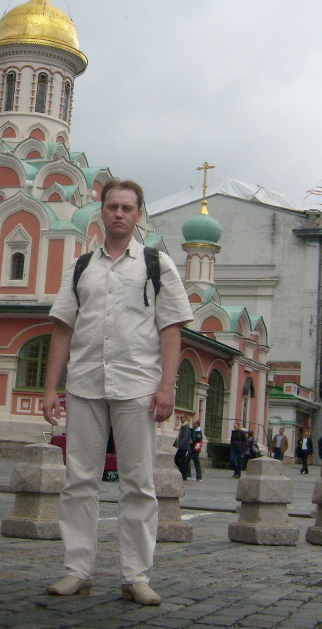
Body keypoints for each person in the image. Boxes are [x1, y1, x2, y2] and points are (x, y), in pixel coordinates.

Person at [41, 178, 193, 606]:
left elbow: (172, 328)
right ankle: (77, 570)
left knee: (138, 484)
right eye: (112, 207)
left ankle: (136, 575)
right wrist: (52, 387)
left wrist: (167, 385)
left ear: (139, 214)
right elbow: (63, 329)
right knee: (79, 481)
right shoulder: (81, 267)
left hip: (137, 385)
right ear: (101, 212)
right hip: (86, 383)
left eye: (127, 207)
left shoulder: (155, 264)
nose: (119, 214)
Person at [173, 414, 194, 480]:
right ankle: (183, 473)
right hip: (182, 446)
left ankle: (184, 474)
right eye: (180, 417)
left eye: (181, 417)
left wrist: (180, 444)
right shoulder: (183, 426)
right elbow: (180, 436)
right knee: (181, 460)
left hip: (183, 447)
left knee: (178, 459)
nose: (180, 419)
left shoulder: (186, 426)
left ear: (185, 418)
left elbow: (185, 437)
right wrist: (176, 443)